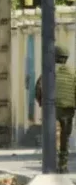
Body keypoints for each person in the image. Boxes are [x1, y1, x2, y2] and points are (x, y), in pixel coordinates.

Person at [34, 44, 76, 174]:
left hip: (52, 109)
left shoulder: (49, 71)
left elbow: (38, 89)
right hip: (68, 110)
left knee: (53, 136)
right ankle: (63, 165)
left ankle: (51, 163)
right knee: (65, 137)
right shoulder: (73, 73)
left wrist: (42, 103)